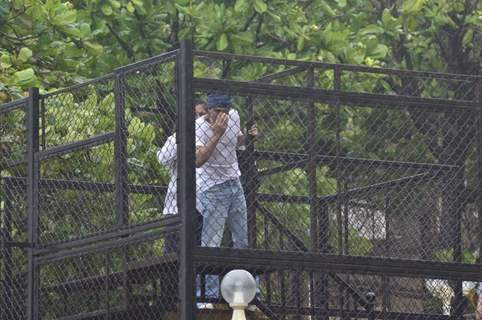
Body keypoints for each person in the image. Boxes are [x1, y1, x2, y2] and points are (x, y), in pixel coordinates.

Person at [195, 93, 257, 302]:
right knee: (211, 242)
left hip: (234, 182)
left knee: (242, 239)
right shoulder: (199, 128)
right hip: (212, 187)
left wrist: (248, 136)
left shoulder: (234, 116)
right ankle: (207, 295)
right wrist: (217, 134)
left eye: (225, 112)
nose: (222, 116)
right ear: (209, 110)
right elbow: (199, 160)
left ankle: (252, 291)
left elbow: (237, 140)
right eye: (218, 112)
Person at [157, 101, 207, 253]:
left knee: (201, 255)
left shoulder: (212, 137)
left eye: (202, 115)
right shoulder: (178, 138)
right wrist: (185, 134)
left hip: (204, 208)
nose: (199, 119)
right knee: (173, 257)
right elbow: (163, 158)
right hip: (176, 206)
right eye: (196, 116)